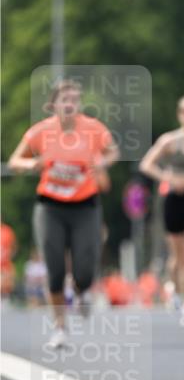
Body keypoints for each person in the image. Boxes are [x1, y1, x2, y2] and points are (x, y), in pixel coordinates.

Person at [8, 79, 119, 347]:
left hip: (85, 206)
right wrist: (33, 162)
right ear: (53, 105)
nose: (69, 104)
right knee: (55, 268)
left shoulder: (92, 129)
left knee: (84, 267)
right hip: (50, 206)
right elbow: (14, 161)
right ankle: (60, 327)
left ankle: (81, 291)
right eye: (64, 99)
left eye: (74, 99)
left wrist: (103, 160)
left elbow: (113, 150)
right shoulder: (41, 132)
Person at [140, 94, 184, 326]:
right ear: (180, 114)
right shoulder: (170, 141)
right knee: (178, 257)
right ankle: (176, 290)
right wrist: (167, 177)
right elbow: (147, 164)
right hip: (173, 200)